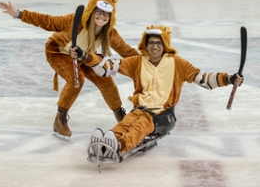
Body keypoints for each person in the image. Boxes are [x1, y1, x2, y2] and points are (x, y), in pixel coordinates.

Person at [69, 25, 244, 158]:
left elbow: (204, 79)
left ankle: (119, 145)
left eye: (158, 43)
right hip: (140, 109)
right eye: (151, 42)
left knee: (141, 123)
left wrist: (228, 79)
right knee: (128, 120)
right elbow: (110, 65)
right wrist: (85, 56)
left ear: (165, 44)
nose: (154, 46)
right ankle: (109, 140)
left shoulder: (178, 64)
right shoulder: (137, 62)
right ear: (146, 44)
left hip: (163, 116)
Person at [0, 0, 140, 138]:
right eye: (98, 12)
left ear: (110, 17)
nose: (102, 16)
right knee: (76, 79)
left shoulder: (110, 33)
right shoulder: (74, 21)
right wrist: (18, 13)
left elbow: (127, 52)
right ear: (91, 11)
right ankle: (60, 118)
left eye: (106, 13)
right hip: (58, 52)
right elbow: (47, 21)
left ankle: (119, 114)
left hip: (83, 55)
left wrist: (150, 63)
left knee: (105, 79)